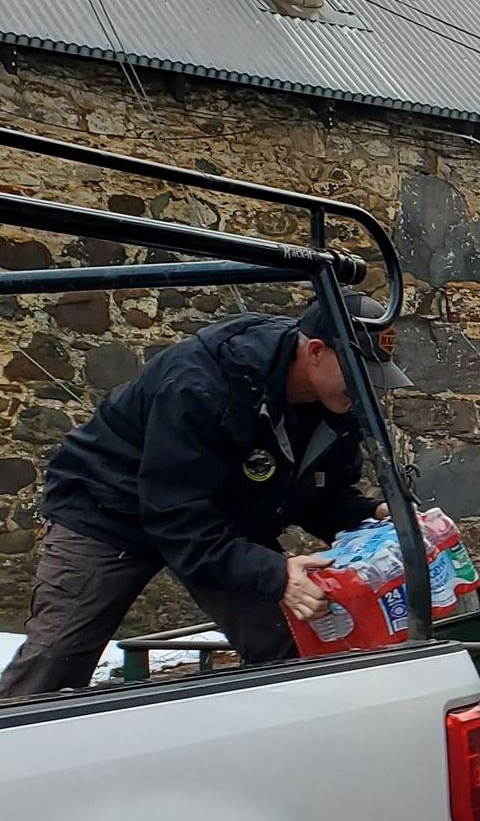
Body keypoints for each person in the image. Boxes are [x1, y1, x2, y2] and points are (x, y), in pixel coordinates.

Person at [0, 292, 409, 699]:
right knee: (55, 661)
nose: (366, 390)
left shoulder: (338, 405)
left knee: (295, 639)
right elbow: (176, 515)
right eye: (360, 375)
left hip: (223, 517)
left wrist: (373, 513)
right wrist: (274, 572)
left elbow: (322, 495)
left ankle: (286, 743)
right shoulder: (202, 381)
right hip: (109, 509)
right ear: (316, 351)